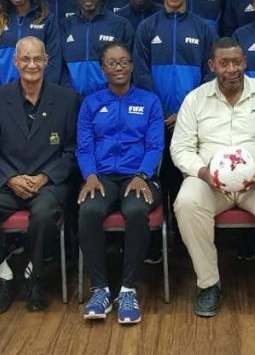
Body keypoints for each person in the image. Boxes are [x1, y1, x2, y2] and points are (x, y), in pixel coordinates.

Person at [171, 37, 255, 321]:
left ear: (245, 62)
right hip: (210, 181)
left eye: (236, 62)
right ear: (212, 65)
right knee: (186, 203)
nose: (231, 69)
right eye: (224, 63)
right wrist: (203, 172)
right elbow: (180, 148)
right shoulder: (195, 99)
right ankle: (208, 284)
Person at [0, 37, 79, 314]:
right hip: (6, 184)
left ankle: (35, 275)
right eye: (25, 59)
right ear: (16, 62)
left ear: (47, 61)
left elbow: (71, 150)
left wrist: (45, 177)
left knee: (44, 214)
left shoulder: (67, 99)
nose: (31, 65)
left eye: (37, 59)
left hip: (48, 184)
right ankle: (4, 274)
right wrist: (10, 178)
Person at [133, 0, 218, 264]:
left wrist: (185, 109)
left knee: (187, 181)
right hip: (156, 121)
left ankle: (186, 244)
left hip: (191, 119)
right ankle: (156, 244)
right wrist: (157, 109)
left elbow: (212, 71)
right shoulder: (146, 27)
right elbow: (140, 71)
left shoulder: (203, 27)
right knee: (159, 180)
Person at [77, 42, 164, 324]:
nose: (119, 68)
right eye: (112, 63)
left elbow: (154, 146)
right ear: (103, 69)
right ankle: (100, 289)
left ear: (132, 66)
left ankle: (128, 289)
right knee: (88, 210)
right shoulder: (91, 103)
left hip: (138, 175)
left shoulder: (149, 101)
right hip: (101, 176)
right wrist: (89, 174)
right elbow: (84, 147)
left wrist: (143, 175)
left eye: (124, 62)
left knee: (137, 211)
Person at [60, 0, 135, 97]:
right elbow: (60, 67)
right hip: (72, 102)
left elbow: (130, 67)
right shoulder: (65, 26)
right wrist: (69, 93)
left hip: (110, 100)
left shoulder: (120, 25)